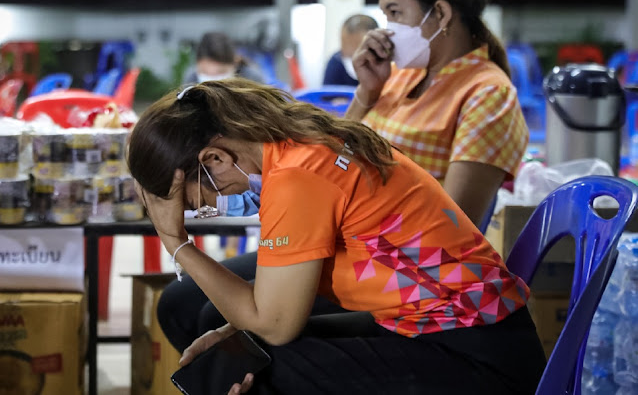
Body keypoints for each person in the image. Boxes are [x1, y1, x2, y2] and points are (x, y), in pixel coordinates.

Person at [128, 79, 545, 394]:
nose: (211, 206)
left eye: (194, 200)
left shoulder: (296, 178)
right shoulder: (296, 143)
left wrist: (175, 239)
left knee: (262, 374)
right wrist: (245, 330)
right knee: (237, 346)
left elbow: (275, 326)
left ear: (215, 158)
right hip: (443, 323)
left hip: (479, 355)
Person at [345, 0, 528, 228]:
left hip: (400, 258)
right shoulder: (398, 77)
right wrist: (367, 91)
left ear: (440, 13)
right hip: (354, 233)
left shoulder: (488, 94)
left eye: (395, 13)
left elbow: (454, 223)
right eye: (385, 16)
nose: (387, 30)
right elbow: (341, 154)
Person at [183, 32, 266, 84]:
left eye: (220, 71)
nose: (212, 78)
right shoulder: (191, 79)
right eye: (205, 72)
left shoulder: (252, 79)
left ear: (235, 63)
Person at [322, 14, 379, 86]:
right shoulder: (336, 62)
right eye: (344, 43)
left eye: (355, 45)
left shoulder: (382, 66)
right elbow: (326, 93)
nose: (347, 50)